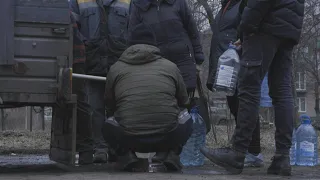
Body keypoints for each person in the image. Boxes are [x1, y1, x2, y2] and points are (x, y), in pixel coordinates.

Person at [201, 0, 305, 176]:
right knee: (282, 91)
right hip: (288, 28)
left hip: (263, 25)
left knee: (248, 88)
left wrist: (246, 27)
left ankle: (238, 152)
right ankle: (282, 156)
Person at [103, 23, 193, 171]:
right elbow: (184, 101)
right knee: (188, 117)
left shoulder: (116, 68)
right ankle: (171, 154)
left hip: (129, 138)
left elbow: (108, 103)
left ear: (130, 45)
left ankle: (127, 156)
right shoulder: (170, 66)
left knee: (107, 123)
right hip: (167, 136)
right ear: (154, 44)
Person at [69, 0, 131, 163]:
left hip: (121, 64)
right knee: (94, 108)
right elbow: (72, 29)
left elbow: (134, 29)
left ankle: (116, 148)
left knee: (118, 108)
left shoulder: (129, 1)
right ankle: (100, 149)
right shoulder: (78, 1)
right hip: (92, 63)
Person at [206, 0, 263, 167]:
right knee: (235, 105)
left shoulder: (241, 4)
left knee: (243, 104)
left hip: (238, 61)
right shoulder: (226, 6)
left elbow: (248, 28)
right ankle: (248, 150)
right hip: (225, 65)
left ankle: (253, 152)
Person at [128, 0, 205, 95]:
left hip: (184, 61)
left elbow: (192, 30)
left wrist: (198, 57)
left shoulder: (178, 2)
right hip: (157, 65)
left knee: (188, 98)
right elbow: (133, 38)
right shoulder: (138, 6)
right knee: (166, 98)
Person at [70, 11, 94, 165]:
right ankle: (86, 150)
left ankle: (86, 150)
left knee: (79, 102)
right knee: (80, 102)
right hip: (76, 52)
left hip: (75, 52)